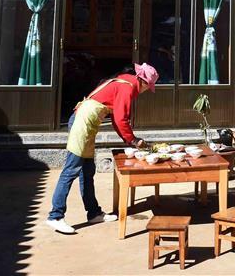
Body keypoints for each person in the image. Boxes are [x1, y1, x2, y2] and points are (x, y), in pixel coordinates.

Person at [45, 63, 159, 234]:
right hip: (82, 123)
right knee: (71, 170)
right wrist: (133, 140)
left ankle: (93, 213)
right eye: (148, 87)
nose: (146, 90)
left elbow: (116, 119)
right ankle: (55, 216)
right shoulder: (128, 87)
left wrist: (130, 140)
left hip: (86, 123)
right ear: (143, 82)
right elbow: (121, 119)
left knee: (87, 171)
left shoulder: (124, 81)